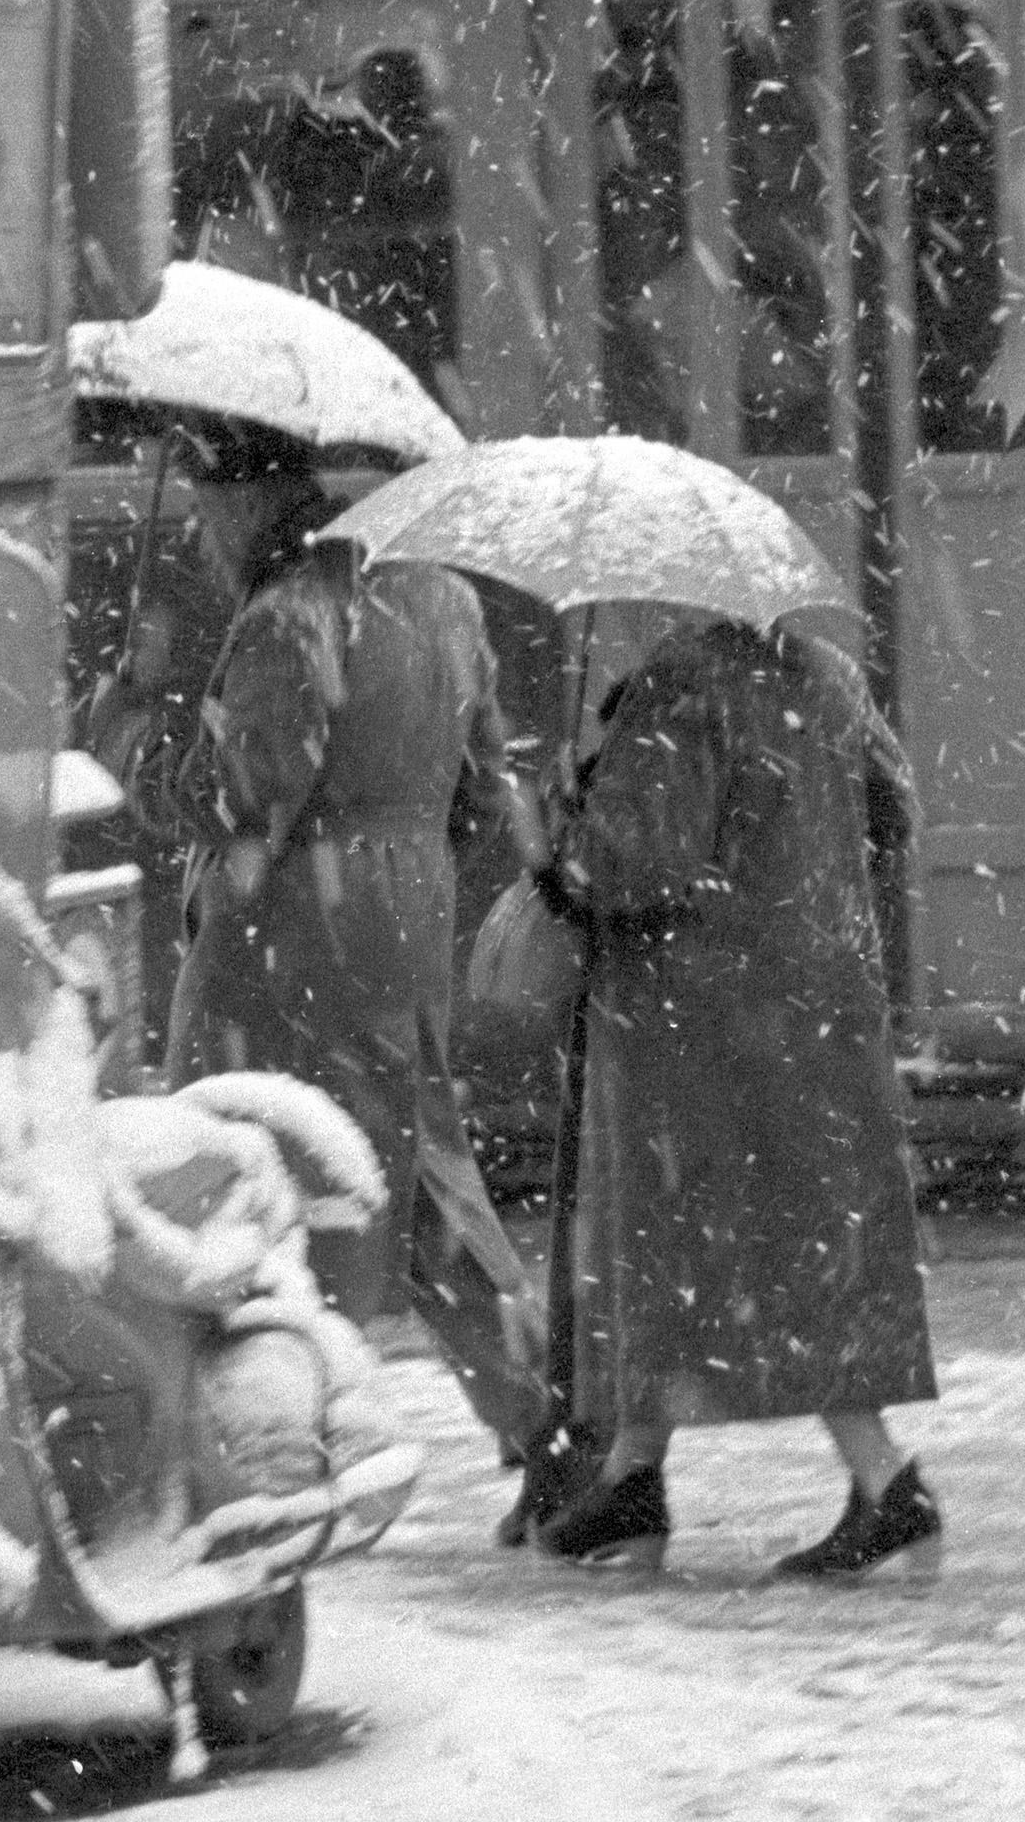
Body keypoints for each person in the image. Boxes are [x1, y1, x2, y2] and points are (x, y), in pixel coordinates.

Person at [88, 413, 551, 1503]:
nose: (200, 539)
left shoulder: (289, 615)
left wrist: (126, 726)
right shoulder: (438, 594)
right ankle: (548, 1422)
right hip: (404, 921)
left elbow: (235, 796)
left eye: (204, 514)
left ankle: (248, 1436)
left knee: (223, 1161)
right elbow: (488, 781)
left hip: (287, 933)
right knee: (426, 1172)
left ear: (245, 499)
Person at [524, 613, 940, 1578]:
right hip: (813, 1002)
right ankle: (634, 1479)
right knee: (776, 1238)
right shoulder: (829, 674)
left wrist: (555, 832)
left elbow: (628, 866)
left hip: (697, 1022)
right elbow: (895, 811)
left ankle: (887, 1482)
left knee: (712, 1240)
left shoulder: (681, 686)